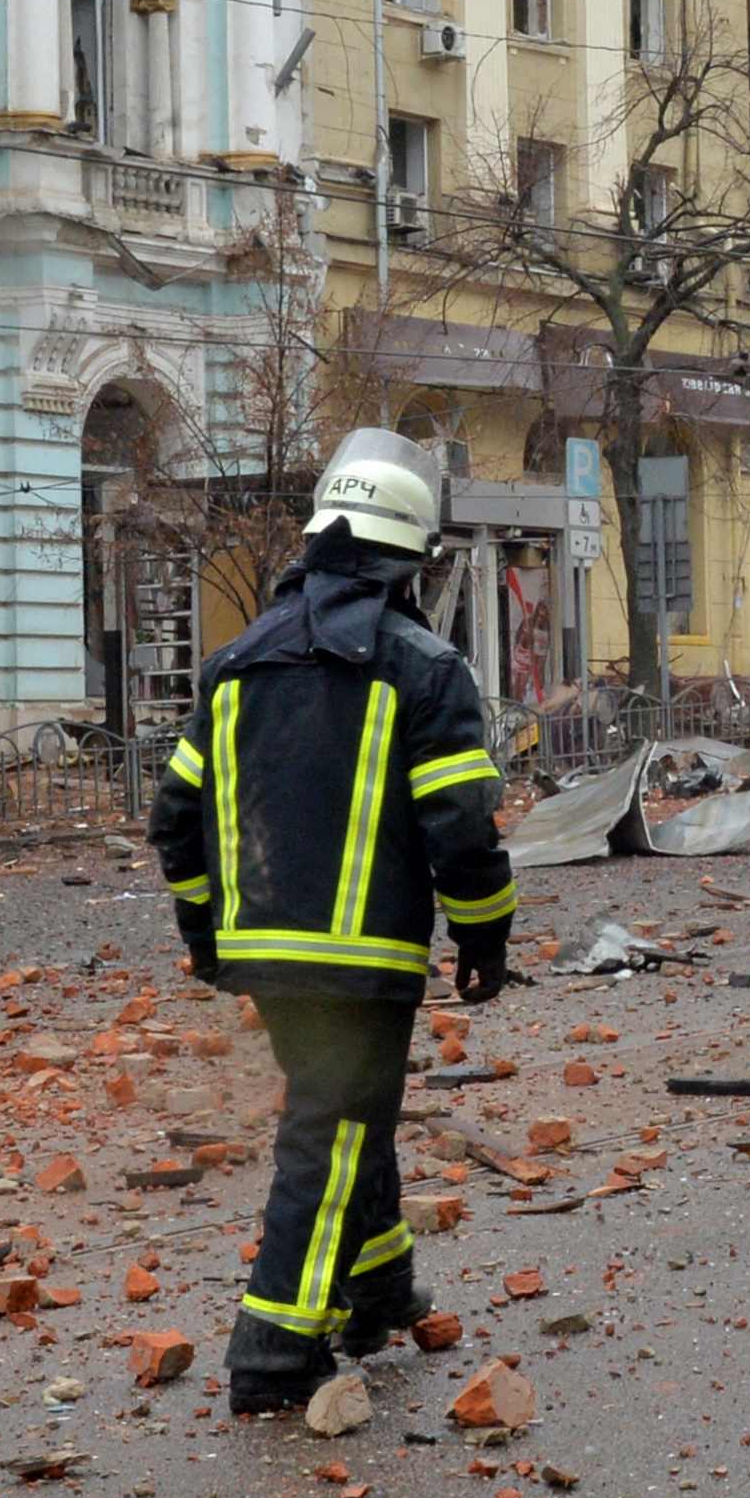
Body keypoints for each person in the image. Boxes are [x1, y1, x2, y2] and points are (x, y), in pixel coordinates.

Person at [148, 431, 517, 1415]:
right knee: (334, 1128)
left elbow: (174, 821)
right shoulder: (425, 671)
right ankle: (273, 1345)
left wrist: (204, 936)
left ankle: (379, 1290)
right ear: (410, 561)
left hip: (263, 954)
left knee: (351, 1116)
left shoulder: (234, 667)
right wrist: (485, 939)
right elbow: (464, 833)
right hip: (365, 963)